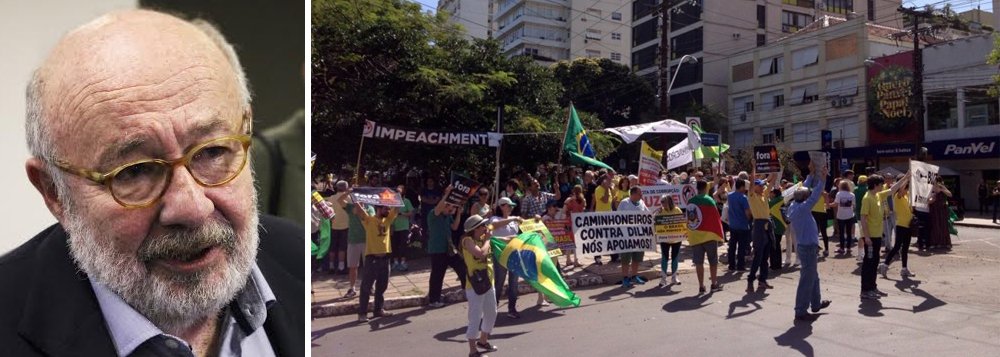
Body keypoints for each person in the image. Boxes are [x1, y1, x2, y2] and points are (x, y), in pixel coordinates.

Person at [1, 10, 303, 355]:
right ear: (54, 191)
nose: (191, 207)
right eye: (135, 172)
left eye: (213, 151)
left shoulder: (295, 257)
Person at [788, 162, 832, 321]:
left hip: (805, 246)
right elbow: (815, 193)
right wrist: (823, 178)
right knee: (807, 279)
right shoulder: (803, 207)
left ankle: (815, 303)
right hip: (807, 247)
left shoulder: (794, 205)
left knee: (813, 276)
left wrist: (811, 173)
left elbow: (804, 189)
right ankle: (800, 310)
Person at [461, 215, 501, 357]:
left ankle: (483, 340)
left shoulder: (483, 239)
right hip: (475, 284)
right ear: (475, 228)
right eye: (482, 226)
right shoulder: (468, 240)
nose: (485, 227)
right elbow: (481, 253)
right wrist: (488, 239)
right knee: (475, 316)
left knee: (492, 312)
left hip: (489, 281)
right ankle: (472, 350)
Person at [858, 174, 901, 300]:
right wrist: (866, 237)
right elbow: (863, 219)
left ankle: (873, 287)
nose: (883, 186)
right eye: (881, 184)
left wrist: (906, 177)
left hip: (877, 236)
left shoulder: (878, 195)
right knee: (869, 263)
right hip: (870, 237)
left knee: (875, 262)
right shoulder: (867, 198)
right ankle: (865, 290)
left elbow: (893, 189)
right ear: (876, 185)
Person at [355, 203, 399, 322]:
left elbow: (397, 207)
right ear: (378, 209)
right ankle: (362, 313)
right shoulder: (369, 220)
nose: (388, 210)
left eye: (389, 208)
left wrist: (397, 196)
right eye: (386, 208)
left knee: (382, 286)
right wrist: (354, 197)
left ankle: (378, 309)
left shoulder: (388, 220)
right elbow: (359, 210)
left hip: (385, 259)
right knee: (366, 287)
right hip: (372, 259)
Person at [427, 186, 468, 308]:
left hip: (449, 249)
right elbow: (439, 207)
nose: (450, 208)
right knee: (437, 275)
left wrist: (459, 213)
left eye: (452, 207)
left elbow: (454, 227)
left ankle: (466, 290)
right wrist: (447, 193)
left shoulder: (448, 217)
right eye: (448, 206)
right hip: (437, 249)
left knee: (462, 266)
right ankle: (433, 300)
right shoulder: (433, 215)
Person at [490, 197, 526, 319]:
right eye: (508, 206)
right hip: (500, 255)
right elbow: (493, 226)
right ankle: (492, 308)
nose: (511, 208)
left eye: (511, 206)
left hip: (514, 254)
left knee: (513, 282)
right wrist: (513, 219)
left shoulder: (513, 220)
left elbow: (526, 227)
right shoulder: (495, 218)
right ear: (502, 206)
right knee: (499, 282)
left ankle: (512, 308)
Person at [688, 180, 725, 294]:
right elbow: (716, 217)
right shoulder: (709, 200)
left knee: (698, 263)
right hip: (709, 236)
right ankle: (714, 284)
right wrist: (720, 234)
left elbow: (690, 220)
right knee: (713, 261)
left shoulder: (691, 201)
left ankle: (701, 286)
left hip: (695, 236)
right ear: (705, 188)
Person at [337, 188, 375, 298]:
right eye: (356, 196)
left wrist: (359, 209)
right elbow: (339, 201)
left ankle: (370, 287)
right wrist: (348, 192)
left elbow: (369, 219)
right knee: (353, 266)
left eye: (359, 196)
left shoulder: (370, 208)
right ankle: (352, 288)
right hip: (353, 240)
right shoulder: (350, 207)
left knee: (368, 266)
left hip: (366, 240)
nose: (357, 198)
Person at [747, 174, 778, 293]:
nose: (762, 188)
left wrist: (776, 169)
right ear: (754, 187)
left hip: (767, 226)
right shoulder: (752, 196)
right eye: (759, 186)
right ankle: (750, 280)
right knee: (758, 256)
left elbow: (772, 182)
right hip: (759, 227)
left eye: (762, 186)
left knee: (765, 257)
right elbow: (751, 184)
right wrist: (753, 167)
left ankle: (762, 281)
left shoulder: (764, 195)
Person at [881, 173, 915, 278]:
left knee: (905, 248)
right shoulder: (897, 196)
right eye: (905, 187)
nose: (906, 189)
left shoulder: (908, 195)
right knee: (896, 247)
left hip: (909, 225)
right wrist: (906, 178)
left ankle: (904, 268)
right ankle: (885, 265)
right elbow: (900, 190)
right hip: (901, 225)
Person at [617, 187, 650, 287]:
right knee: (626, 258)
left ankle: (634, 276)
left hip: (639, 236)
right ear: (633, 194)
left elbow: (647, 215)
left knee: (637, 257)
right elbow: (617, 218)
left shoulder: (642, 202)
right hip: (626, 236)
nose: (641, 196)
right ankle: (625, 278)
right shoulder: (624, 203)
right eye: (639, 194)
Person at [655, 195, 684, 287]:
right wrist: (657, 214)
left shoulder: (677, 210)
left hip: (676, 239)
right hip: (664, 239)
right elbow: (656, 223)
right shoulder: (661, 211)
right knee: (664, 258)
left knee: (675, 258)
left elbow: (681, 223)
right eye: (661, 202)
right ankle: (663, 278)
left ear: (669, 202)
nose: (662, 204)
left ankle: (674, 277)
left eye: (664, 202)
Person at [327, 181, 351, 274]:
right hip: (346, 225)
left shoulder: (331, 198)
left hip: (333, 225)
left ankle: (331, 266)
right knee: (342, 247)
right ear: (346, 188)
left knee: (332, 247)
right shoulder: (349, 198)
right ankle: (341, 267)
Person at [727, 179, 751, 271]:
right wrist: (749, 219)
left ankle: (731, 265)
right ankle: (740, 266)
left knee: (732, 246)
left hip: (733, 224)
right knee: (741, 247)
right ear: (741, 187)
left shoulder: (730, 196)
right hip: (742, 225)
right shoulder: (743, 197)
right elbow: (747, 212)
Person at [392, 185, 415, 271]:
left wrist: (402, 214)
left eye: (399, 192)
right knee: (394, 245)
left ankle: (403, 262)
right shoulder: (392, 202)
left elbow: (411, 212)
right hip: (394, 227)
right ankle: (395, 262)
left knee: (403, 245)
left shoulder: (406, 201)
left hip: (404, 227)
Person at [562, 185, 587, 268]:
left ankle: (568, 259)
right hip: (576, 222)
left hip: (569, 221)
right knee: (576, 241)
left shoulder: (569, 200)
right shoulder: (582, 200)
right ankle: (575, 260)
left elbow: (564, 211)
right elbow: (582, 211)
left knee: (570, 240)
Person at [927, 176, 953, 249]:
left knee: (943, 226)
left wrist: (942, 189)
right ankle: (935, 243)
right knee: (935, 226)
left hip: (942, 209)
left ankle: (945, 243)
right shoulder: (931, 188)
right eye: (935, 182)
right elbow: (927, 200)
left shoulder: (942, 187)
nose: (936, 183)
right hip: (934, 209)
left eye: (937, 181)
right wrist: (931, 199)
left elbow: (950, 194)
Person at [833, 180, 856, 255]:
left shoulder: (839, 194)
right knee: (849, 233)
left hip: (841, 215)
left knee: (842, 233)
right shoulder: (852, 194)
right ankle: (849, 248)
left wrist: (828, 204)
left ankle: (842, 248)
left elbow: (836, 204)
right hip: (850, 215)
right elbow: (854, 205)